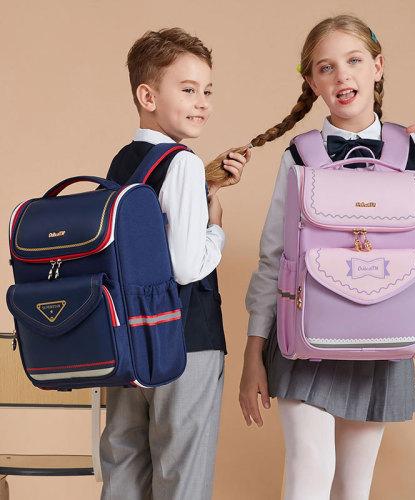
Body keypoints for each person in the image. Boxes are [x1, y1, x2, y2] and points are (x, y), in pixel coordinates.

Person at [239, 15, 415, 500]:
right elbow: (274, 260)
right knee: (308, 476)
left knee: (354, 490)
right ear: (311, 82)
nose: (342, 75)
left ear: (377, 67)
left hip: (384, 337)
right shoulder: (299, 155)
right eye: (326, 67)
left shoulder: (414, 150)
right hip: (305, 336)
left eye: (354, 60)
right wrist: (254, 353)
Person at [99, 28, 249, 500]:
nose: (202, 103)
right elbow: (185, 266)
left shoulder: (123, 162)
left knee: (124, 467)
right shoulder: (181, 162)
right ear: (148, 96)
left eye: (207, 91)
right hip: (185, 341)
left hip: (129, 341)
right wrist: (215, 226)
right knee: (181, 476)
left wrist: (206, 191)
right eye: (187, 90)